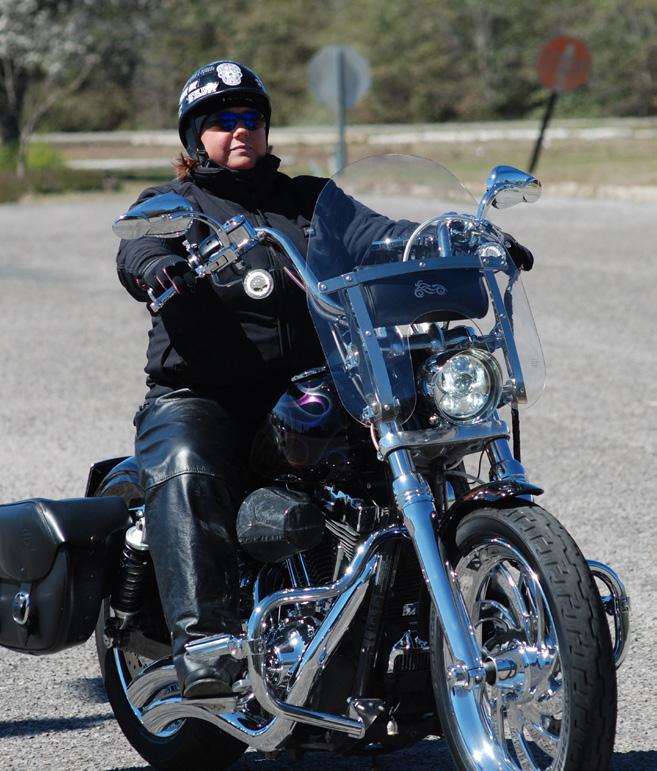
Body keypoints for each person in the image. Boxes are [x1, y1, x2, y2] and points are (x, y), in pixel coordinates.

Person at [116, 59, 534, 700]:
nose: (239, 130)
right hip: (205, 393)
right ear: (195, 137)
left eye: (249, 118)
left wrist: (454, 236)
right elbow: (139, 246)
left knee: (417, 430)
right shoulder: (177, 206)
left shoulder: (313, 200)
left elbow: (385, 237)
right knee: (185, 460)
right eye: (221, 121)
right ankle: (206, 642)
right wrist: (156, 267)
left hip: (318, 379)